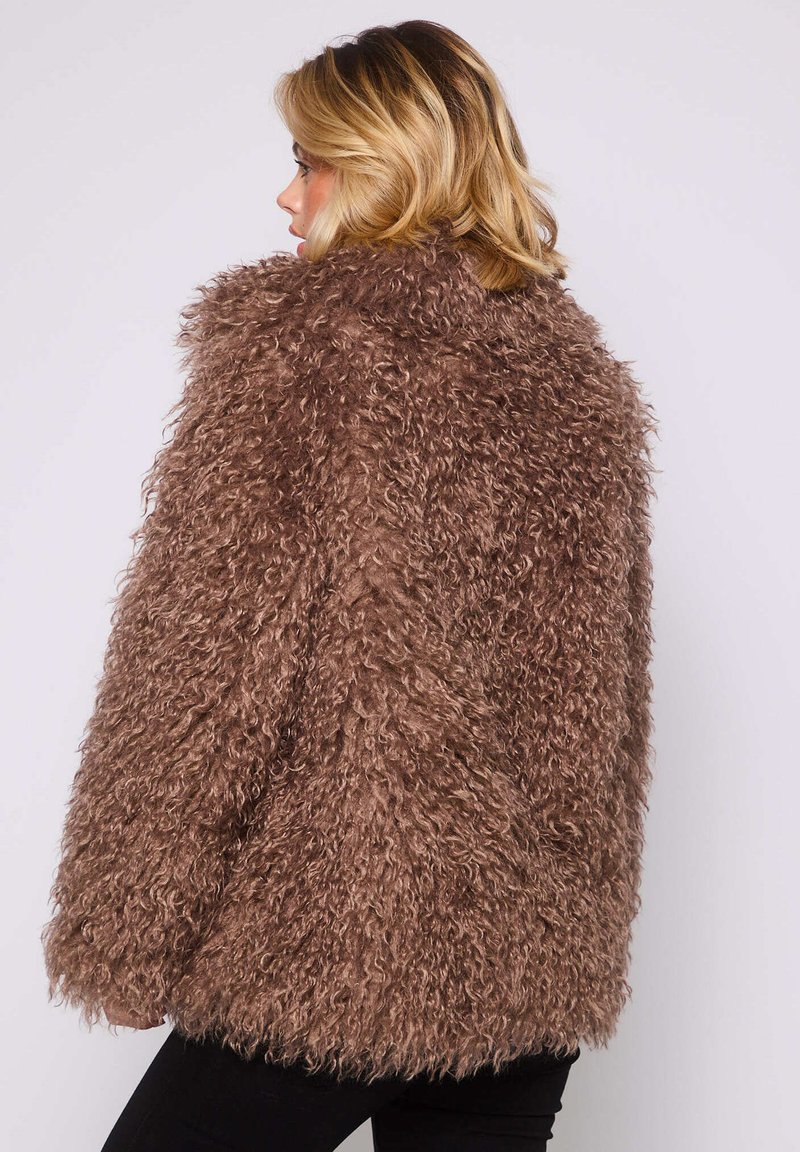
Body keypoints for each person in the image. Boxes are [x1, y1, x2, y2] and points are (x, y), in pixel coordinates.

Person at [40, 19, 657, 1151]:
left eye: (308, 162)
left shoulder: (307, 349)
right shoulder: (579, 379)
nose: (288, 198)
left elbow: (205, 669)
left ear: (383, 164)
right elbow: (604, 703)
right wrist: (572, 927)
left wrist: (124, 932)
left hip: (334, 942)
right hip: (527, 958)